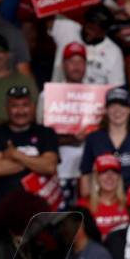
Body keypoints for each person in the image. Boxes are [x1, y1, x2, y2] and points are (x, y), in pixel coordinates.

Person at [0, 86, 58, 204]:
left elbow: (49, 167)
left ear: (33, 107)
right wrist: (37, 161)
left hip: (41, 207)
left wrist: (16, 155)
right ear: (6, 108)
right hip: (5, 207)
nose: (21, 111)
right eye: (14, 106)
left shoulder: (46, 132)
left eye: (25, 105)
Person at [37, 42, 90, 209]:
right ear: (63, 65)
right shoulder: (48, 95)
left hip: (89, 171)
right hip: (61, 171)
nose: (76, 67)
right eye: (71, 62)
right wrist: (70, 139)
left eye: (80, 62)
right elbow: (40, 135)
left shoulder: (96, 94)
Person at [80, 87, 130, 195]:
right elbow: (85, 173)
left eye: (122, 106)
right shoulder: (93, 138)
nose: (117, 111)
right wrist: (87, 205)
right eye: (112, 106)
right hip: (104, 200)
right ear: (105, 110)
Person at [50, 5, 125, 86]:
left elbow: (116, 87)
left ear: (104, 32)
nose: (91, 34)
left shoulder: (113, 52)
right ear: (84, 22)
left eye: (97, 32)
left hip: (94, 96)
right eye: (89, 28)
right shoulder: (68, 29)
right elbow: (45, 20)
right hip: (59, 93)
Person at [78, 154, 129, 239]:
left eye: (114, 172)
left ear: (119, 177)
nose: (109, 177)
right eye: (104, 172)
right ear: (96, 177)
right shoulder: (83, 206)